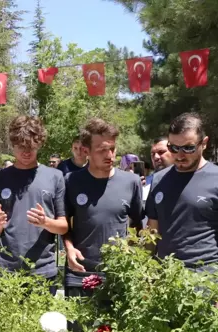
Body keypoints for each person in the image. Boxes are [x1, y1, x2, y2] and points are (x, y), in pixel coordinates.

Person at [63, 118, 143, 297]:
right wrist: (68, 248)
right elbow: (64, 224)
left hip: (119, 273)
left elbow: (137, 225)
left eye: (112, 149)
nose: (110, 156)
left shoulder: (131, 182)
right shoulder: (71, 182)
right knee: (79, 325)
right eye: (102, 150)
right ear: (86, 151)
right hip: (81, 269)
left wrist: (132, 253)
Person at [0, 116, 68, 294]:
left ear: (39, 143)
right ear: (12, 144)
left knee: (41, 323)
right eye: (21, 147)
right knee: (7, 323)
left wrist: (45, 222)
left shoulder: (54, 177)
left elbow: (63, 227)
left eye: (31, 147)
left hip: (43, 271)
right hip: (6, 272)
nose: (26, 152)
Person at [146, 113, 218, 272]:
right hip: (166, 277)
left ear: (204, 143)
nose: (179, 155)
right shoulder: (158, 180)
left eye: (188, 148)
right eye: (173, 147)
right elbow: (152, 231)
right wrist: (144, 269)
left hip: (207, 279)